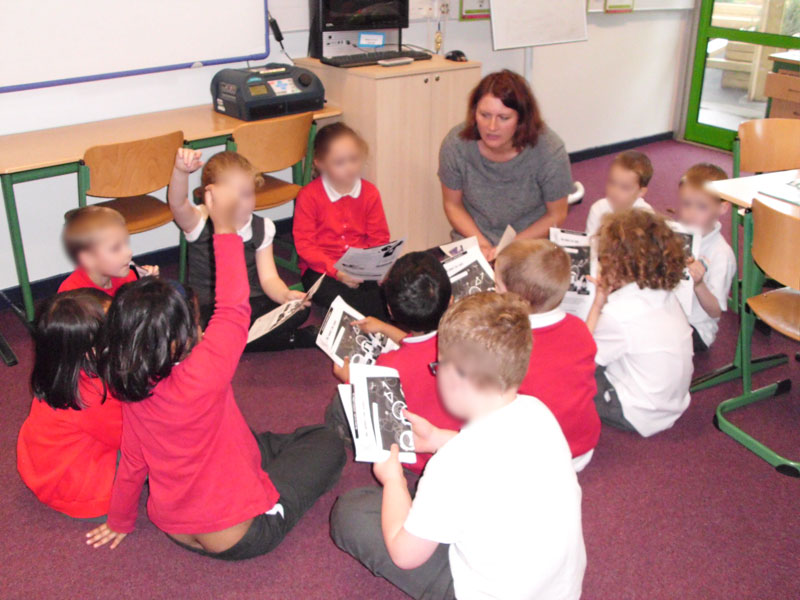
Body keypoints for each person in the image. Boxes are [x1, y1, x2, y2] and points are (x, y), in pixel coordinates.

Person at [86, 182, 345, 558]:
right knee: (327, 442)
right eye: (195, 323)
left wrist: (119, 521)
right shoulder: (206, 369)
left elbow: (133, 464)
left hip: (175, 527)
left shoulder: (132, 383)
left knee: (249, 439)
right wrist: (224, 228)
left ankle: (251, 471)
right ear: (181, 339)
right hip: (242, 535)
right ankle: (267, 499)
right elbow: (233, 306)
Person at [331, 293, 586, 600]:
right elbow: (500, 455)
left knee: (352, 511)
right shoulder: (538, 412)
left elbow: (404, 555)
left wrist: (393, 479)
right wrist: (438, 438)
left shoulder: (451, 466)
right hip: (558, 590)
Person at [167, 148, 315, 352]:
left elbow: (269, 278)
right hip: (212, 308)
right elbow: (177, 204)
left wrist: (284, 295)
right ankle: (287, 339)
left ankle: (234, 342)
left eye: (248, 194)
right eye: (234, 196)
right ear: (211, 196)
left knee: (299, 310)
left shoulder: (262, 227)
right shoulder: (199, 221)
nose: (243, 203)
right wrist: (180, 172)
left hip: (250, 302)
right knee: (204, 331)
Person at [329, 251, 462, 475]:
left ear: (390, 310)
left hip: (415, 456)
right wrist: (384, 328)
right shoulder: (469, 342)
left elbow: (376, 401)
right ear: (450, 302)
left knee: (337, 405)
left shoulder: (389, 364)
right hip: (456, 443)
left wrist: (349, 379)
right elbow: (422, 346)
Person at [438, 70, 573, 261]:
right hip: (474, 238)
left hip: (531, 241)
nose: (492, 127)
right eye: (485, 115)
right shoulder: (456, 144)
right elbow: (453, 205)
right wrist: (483, 244)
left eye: (504, 118)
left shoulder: (550, 151)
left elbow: (556, 215)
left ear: (521, 119)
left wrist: (509, 247)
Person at [585, 209, 694, 437]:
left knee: (559, 368)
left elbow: (581, 358)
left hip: (633, 413)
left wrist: (597, 305)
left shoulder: (619, 314)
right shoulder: (666, 295)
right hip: (669, 404)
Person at [495, 239, 600, 472]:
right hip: (582, 447)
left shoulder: (507, 341)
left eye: (497, 286)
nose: (495, 290)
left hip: (538, 459)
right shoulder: (578, 327)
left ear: (515, 298)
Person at [17, 288, 122, 520]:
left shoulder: (58, 371)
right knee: (161, 449)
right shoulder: (93, 394)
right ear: (89, 351)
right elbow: (131, 437)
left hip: (45, 466)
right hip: (75, 488)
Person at [293, 122, 391, 320]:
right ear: (320, 164)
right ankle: (364, 318)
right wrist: (336, 271)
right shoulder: (309, 196)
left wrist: (374, 267)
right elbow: (305, 245)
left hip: (361, 266)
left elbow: (379, 237)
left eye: (354, 159)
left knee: (385, 294)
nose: (349, 168)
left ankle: (370, 318)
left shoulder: (370, 192)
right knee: (342, 299)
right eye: (339, 163)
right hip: (320, 269)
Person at [677, 163, 736, 353]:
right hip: (668, 312)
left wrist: (699, 284)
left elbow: (715, 311)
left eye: (701, 207)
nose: (691, 213)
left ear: (722, 207)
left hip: (695, 327)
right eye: (686, 204)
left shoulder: (721, 254)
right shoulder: (678, 234)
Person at [58, 206, 158, 295]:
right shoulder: (72, 296)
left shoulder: (128, 277)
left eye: (126, 243)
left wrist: (149, 285)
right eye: (115, 248)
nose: (129, 253)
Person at [585, 150, 654, 237]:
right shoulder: (598, 209)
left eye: (624, 187)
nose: (615, 191)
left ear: (641, 192)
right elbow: (589, 242)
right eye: (612, 182)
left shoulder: (646, 216)